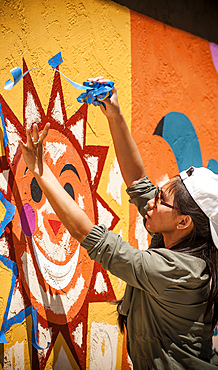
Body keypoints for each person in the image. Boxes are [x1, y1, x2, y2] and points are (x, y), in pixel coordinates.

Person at [19, 77, 218, 369]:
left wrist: (42, 171)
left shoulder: (178, 270)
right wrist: (115, 114)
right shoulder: (182, 240)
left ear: (184, 221)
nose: (151, 200)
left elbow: (92, 238)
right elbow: (139, 182)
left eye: (161, 199)